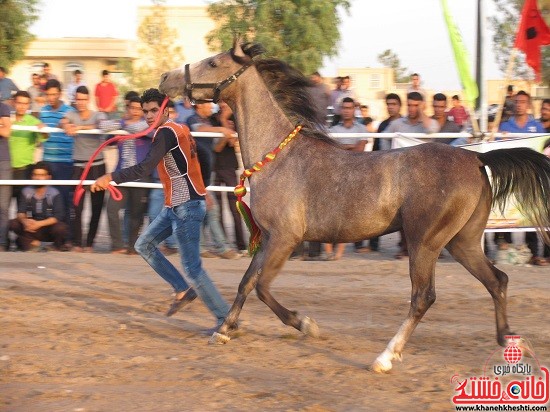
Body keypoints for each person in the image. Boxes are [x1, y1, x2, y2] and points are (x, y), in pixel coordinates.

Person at [90, 88, 229, 327]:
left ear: (165, 110)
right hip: (177, 205)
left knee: (192, 267)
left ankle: (225, 319)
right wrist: (202, 190)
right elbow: (204, 157)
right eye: (146, 111)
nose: (149, 116)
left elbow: (144, 168)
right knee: (143, 245)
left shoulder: (165, 133)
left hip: (185, 206)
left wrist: (110, 177)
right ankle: (182, 290)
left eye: (154, 110)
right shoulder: (182, 128)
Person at [386, 92, 440, 259]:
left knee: (427, 215)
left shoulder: (429, 123)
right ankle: (405, 248)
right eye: (410, 105)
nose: (412, 108)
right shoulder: (397, 124)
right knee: (403, 214)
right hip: (400, 174)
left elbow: (433, 130)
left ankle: (430, 249)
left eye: (416, 105)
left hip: (425, 175)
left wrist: (422, 114)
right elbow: (384, 142)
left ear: (422, 106)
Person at [496, 90, 546, 265]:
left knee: (530, 211)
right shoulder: (505, 127)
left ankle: (534, 252)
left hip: (530, 177)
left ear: (529, 104)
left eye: (523, 102)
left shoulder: (537, 127)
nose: (519, 104)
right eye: (517, 101)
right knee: (508, 210)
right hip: (511, 176)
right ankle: (507, 247)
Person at [187, 101, 241, 259]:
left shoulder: (210, 121)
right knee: (212, 209)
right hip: (195, 170)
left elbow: (217, 147)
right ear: (199, 106)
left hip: (206, 171)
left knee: (203, 209)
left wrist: (225, 132)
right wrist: (222, 129)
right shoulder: (192, 119)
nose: (212, 107)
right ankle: (222, 247)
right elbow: (200, 130)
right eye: (208, 105)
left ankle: (201, 247)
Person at [62, 85, 108, 252]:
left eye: (83, 99)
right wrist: (67, 125)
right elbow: (64, 121)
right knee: (77, 207)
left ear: (88, 100)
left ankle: (89, 243)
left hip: (97, 166)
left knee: (96, 207)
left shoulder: (98, 114)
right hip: (78, 167)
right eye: (78, 99)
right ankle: (78, 243)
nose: (80, 102)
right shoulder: (71, 114)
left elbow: (103, 125)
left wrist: (79, 127)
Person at [105, 95, 151, 255]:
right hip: (120, 176)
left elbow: (142, 129)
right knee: (111, 209)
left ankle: (132, 246)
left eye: (140, 109)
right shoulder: (121, 124)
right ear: (128, 109)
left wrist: (124, 126)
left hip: (140, 177)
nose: (136, 111)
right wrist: (121, 125)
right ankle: (117, 245)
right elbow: (103, 125)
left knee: (136, 214)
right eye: (133, 108)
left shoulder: (149, 126)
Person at [327, 97, 367, 258]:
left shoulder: (362, 128)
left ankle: (340, 250)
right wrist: (349, 147)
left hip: (357, 172)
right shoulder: (334, 129)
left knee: (347, 211)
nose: (346, 110)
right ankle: (329, 251)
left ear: (354, 110)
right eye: (344, 107)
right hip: (336, 173)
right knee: (330, 209)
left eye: (349, 108)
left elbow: (360, 149)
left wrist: (343, 148)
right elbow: (332, 149)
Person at [7, 162, 70, 252]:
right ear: (32, 176)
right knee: (13, 223)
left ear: (48, 177)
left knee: (61, 228)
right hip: (31, 227)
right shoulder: (26, 191)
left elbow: (58, 216)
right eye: (35, 175)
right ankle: (34, 243)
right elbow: (21, 212)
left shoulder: (55, 192)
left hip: (48, 227)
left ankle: (54, 245)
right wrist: (25, 221)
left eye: (42, 175)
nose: (38, 178)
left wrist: (39, 224)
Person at [39, 79, 76, 229]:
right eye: (48, 95)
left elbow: (72, 128)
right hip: (47, 160)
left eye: (54, 94)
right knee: (47, 199)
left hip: (64, 161)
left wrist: (66, 124)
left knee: (64, 198)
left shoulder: (69, 111)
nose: (51, 97)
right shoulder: (43, 111)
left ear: (59, 94)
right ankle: (49, 235)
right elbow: (43, 137)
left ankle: (66, 235)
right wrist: (40, 128)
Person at [211, 100, 247, 253]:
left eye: (225, 101)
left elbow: (233, 141)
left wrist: (225, 123)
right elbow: (217, 147)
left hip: (230, 167)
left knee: (235, 207)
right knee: (217, 207)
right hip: (215, 166)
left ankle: (241, 245)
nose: (223, 103)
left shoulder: (235, 117)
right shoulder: (212, 118)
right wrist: (225, 129)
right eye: (220, 101)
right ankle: (225, 245)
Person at [9, 91, 43, 201]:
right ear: (14, 103)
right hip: (5, 168)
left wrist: (43, 128)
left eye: (25, 103)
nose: (22, 106)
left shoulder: (33, 121)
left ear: (29, 105)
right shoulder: (6, 119)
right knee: (3, 205)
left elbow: (44, 137)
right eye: (19, 103)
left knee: (22, 207)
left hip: (25, 169)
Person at [0, 100, 12, 250]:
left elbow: (7, 131)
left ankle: (2, 242)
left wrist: (3, 126)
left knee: (2, 206)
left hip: (2, 161)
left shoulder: (3, 106)